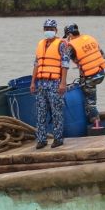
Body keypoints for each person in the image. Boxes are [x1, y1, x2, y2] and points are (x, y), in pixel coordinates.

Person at [30, 18, 70, 149]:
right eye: (46, 29)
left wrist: (63, 83)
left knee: (56, 111)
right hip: (41, 83)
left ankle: (58, 138)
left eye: (51, 29)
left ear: (56, 30)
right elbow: (36, 64)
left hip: (55, 82)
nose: (48, 31)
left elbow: (65, 64)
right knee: (40, 111)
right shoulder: (40, 44)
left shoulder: (62, 44)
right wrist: (33, 82)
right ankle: (41, 139)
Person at [63, 23, 105, 129]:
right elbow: (102, 55)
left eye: (67, 37)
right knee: (90, 93)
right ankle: (93, 119)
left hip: (90, 77)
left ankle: (96, 125)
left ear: (69, 34)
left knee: (90, 102)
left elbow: (64, 63)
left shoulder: (71, 45)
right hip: (100, 73)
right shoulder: (90, 38)